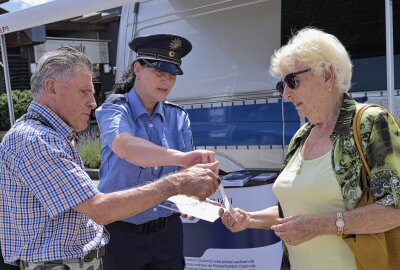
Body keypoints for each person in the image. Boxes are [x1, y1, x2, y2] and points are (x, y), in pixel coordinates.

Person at [0, 47, 220, 270]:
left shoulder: (52, 136)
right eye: (84, 91)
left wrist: (188, 193)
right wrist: (178, 182)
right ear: (51, 87)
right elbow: (100, 208)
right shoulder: (36, 139)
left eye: (171, 75)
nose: (93, 102)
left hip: (155, 234)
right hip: (80, 254)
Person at [220, 27, 400, 270]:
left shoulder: (371, 122)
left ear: (326, 75)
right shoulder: (301, 137)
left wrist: (321, 226)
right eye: (280, 85)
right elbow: (298, 211)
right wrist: (250, 219)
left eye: (292, 81)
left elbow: (394, 209)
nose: (285, 94)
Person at [95, 34, 216, 270]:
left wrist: (193, 197)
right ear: (137, 68)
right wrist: (180, 158)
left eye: (172, 75)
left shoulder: (177, 116)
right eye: (159, 72)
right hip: (120, 232)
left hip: (166, 232)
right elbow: (125, 147)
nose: (166, 81)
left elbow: (186, 171)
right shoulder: (114, 109)